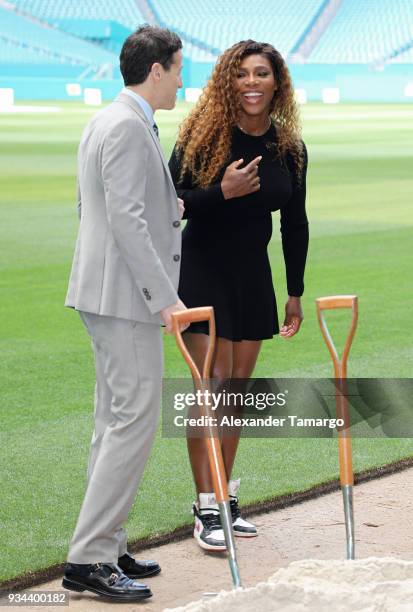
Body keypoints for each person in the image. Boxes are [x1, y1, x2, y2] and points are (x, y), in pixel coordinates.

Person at [169, 40, 309, 552]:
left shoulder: (289, 149)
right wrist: (220, 193)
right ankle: (205, 507)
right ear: (228, 82)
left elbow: (294, 223)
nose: (251, 83)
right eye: (242, 75)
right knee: (210, 390)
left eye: (262, 74)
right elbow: (169, 205)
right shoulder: (202, 138)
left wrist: (294, 291)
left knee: (235, 397)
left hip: (253, 277)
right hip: (201, 272)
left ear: (277, 83)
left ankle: (225, 499)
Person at [63, 25, 187, 602]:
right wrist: (166, 299)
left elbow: (110, 206)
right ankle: (90, 556)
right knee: (133, 421)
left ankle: (106, 544)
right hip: (126, 299)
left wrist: (179, 207)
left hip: (104, 292)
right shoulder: (127, 126)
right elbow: (126, 221)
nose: (182, 80)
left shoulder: (109, 119)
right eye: (179, 68)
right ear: (156, 69)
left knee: (111, 421)